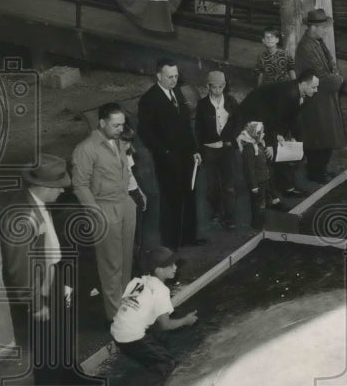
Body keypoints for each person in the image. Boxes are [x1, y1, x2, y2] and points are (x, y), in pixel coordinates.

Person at [0, 155, 89, 386]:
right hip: (40, 288)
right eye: (59, 186)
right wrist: (36, 304)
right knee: (47, 345)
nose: (63, 190)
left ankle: (69, 377)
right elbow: (18, 269)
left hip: (54, 276)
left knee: (62, 330)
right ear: (43, 186)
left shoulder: (38, 202)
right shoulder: (22, 216)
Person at [72, 102, 145, 321]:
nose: (120, 129)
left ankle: (127, 307)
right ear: (102, 123)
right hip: (104, 208)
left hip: (125, 203)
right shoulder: (86, 149)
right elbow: (80, 185)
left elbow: (127, 171)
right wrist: (96, 212)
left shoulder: (120, 142)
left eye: (122, 124)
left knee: (126, 260)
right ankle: (116, 317)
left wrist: (135, 196)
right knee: (111, 265)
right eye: (115, 125)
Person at [111, 246, 198, 386]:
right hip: (131, 337)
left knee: (155, 338)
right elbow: (165, 325)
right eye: (170, 265)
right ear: (158, 270)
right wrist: (186, 320)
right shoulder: (161, 290)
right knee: (166, 363)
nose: (175, 267)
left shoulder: (138, 281)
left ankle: (152, 359)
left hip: (117, 331)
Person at [137, 58, 202, 249]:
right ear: (158, 76)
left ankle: (189, 237)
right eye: (170, 77)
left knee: (189, 195)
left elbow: (185, 126)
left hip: (186, 156)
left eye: (176, 76)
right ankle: (171, 244)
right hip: (167, 159)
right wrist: (164, 152)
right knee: (171, 199)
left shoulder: (177, 93)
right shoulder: (149, 99)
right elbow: (145, 133)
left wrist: (195, 150)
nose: (174, 80)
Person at [239, 69, 319, 193]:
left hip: (269, 118)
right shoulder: (289, 94)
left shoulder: (301, 93)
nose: (316, 90)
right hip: (254, 117)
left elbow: (292, 117)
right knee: (275, 150)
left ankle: (286, 184)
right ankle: (283, 188)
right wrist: (270, 142)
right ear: (304, 85)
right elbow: (271, 118)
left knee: (286, 147)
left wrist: (294, 137)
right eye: (314, 87)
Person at [294, 9, 347, 185]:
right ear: (313, 27)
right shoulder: (306, 48)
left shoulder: (316, 42)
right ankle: (315, 172)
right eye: (323, 27)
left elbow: (330, 64)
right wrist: (338, 79)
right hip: (315, 97)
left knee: (324, 134)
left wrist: (334, 74)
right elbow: (319, 76)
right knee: (319, 135)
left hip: (322, 95)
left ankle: (320, 169)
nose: (325, 30)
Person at [194, 70, 241, 231]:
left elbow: (238, 123)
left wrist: (231, 141)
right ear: (208, 86)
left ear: (224, 86)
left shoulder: (231, 102)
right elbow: (198, 130)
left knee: (229, 185)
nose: (217, 90)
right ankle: (215, 212)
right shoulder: (202, 105)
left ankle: (230, 217)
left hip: (226, 149)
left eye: (221, 87)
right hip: (209, 150)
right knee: (212, 185)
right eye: (214, 87)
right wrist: (199, 150)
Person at [237, 121, 276, 227]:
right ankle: (257, 223)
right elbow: (249, 169)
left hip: (263, 179)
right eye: (260, 133)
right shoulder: (249, 149)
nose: (263, 134)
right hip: (257, 182)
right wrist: (253, 186)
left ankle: (262, 220)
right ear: (254, 134)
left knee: (262, 201)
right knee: (257, 204)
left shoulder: (258, 145)